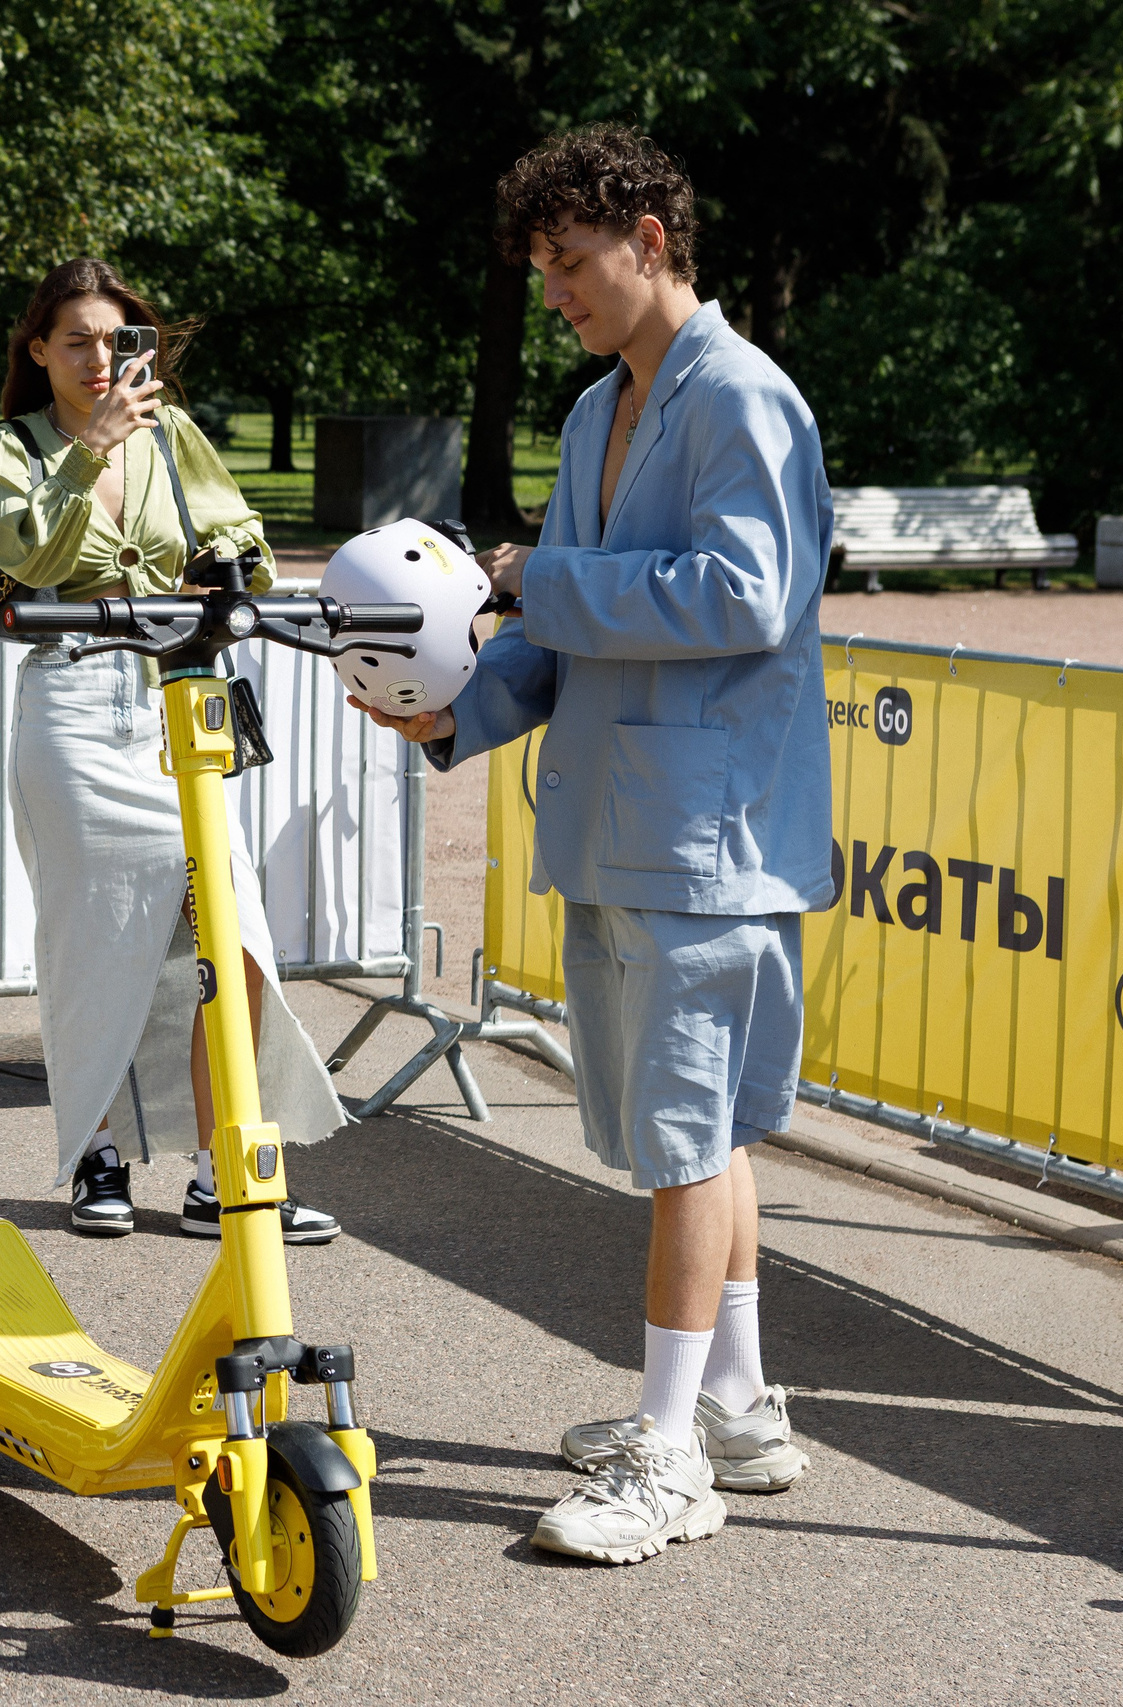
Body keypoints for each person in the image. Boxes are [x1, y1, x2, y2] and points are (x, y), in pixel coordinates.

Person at [354, 126, 833, 1564]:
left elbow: (746, 596)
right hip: (630, 828)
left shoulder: (745, 394)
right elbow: (558, 639)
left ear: (649, 232)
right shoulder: (591, 414)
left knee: (687, 1144)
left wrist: (532, 574)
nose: (554, 289)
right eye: (544, 268)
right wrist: (451, 718)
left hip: (706, 835)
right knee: (703, 1137)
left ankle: (671, 1450)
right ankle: (737, 1408)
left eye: (569, 262)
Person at [0, 257, 347, 1242]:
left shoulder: (174, 433)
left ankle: (221, 1163)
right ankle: (98, 1154)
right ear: (38, 351)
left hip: (178, 691)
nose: (99, 358)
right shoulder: (12, 449)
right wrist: (88, 454)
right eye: (76, 340)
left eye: (115, 338)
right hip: (71, 704)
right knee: (91, 939)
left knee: (232, 936)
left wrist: (227, 571)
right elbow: (32, 561)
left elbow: (246, 542)